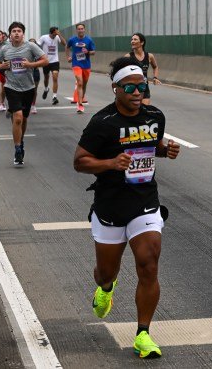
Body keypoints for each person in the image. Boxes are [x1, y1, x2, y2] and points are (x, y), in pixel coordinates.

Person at [73, 56, 180, 359]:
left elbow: (152, 146)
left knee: (148, 262)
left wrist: (166, 150)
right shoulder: (102, 124)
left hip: (145, 201)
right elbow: (79, 161)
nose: (136, 91)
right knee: (106, 272)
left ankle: (143, 334)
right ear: (115, 89)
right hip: (110, 205)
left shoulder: (154, 116)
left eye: (141, 86)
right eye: (129, 86)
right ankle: (106, 287)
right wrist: (110, 163)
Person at [0, 21, 48, 165]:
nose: (17, 33)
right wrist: (3, 66)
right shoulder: (5, 49)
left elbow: (45, 60)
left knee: (23, 119)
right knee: (17, 117)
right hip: (11, 87)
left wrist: (30, 65)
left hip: (28, 88)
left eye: (19, 31)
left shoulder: (30, 47)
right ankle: (18, 149)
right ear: (10, 35)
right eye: (14, 31)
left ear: (23, 34)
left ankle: (20, 140)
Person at [66, 23, 95, 114]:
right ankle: (80, 104)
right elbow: (67, 47)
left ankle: (81, 99)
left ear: (84, 29)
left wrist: (88, 52)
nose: (80, 30)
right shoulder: (72, 39)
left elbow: (93, 52)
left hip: (86, 65)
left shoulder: (89, 40)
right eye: (78, 29)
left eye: (82, 28)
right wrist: (68, 57)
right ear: (76, 30)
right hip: (76, 63)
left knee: (84, 84)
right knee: (80, 82)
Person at [125, 33, 161, 105]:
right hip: (132, 88)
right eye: (132, 39)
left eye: (135, 39)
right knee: (134, 111)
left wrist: (155, 77)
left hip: (144, 87)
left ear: (142, 42)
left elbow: (155, 67)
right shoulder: (128, 56)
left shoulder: (149, 56)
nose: (132, 41)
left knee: (145, 110)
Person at [38, 26, 66, 105]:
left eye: (57, 32)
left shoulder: (57, 37)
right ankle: (46, 89)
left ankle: (54, 97)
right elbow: (38, 45)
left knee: (55, 77)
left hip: (55, 61)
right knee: (46, 78)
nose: (57, 33)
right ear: (52, 32)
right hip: (46, 61)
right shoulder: (44, 37)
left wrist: (59, 35)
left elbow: (64, 44)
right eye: (56, 32)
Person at [28, 38, 41, 114]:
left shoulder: (38, 52)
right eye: (31, 43)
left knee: (34, 90)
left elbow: (44, 60)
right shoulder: (24, 52)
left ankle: (33, 105)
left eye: (34, 43)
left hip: (35, 71)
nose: (32, 44)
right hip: (26, 72)